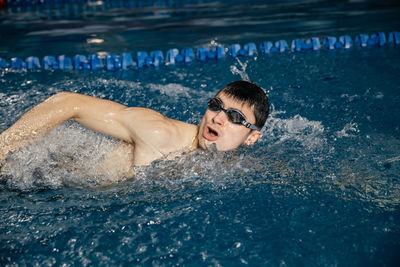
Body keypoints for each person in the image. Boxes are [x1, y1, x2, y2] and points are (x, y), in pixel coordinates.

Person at [0, 80, 269, 170]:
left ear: (251, 138)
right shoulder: (159, 132)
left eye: (234, 117)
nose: (217, 118)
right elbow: (68, 102)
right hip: (36, 174)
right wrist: (4, 146)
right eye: (215, 105)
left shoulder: (234, 164)